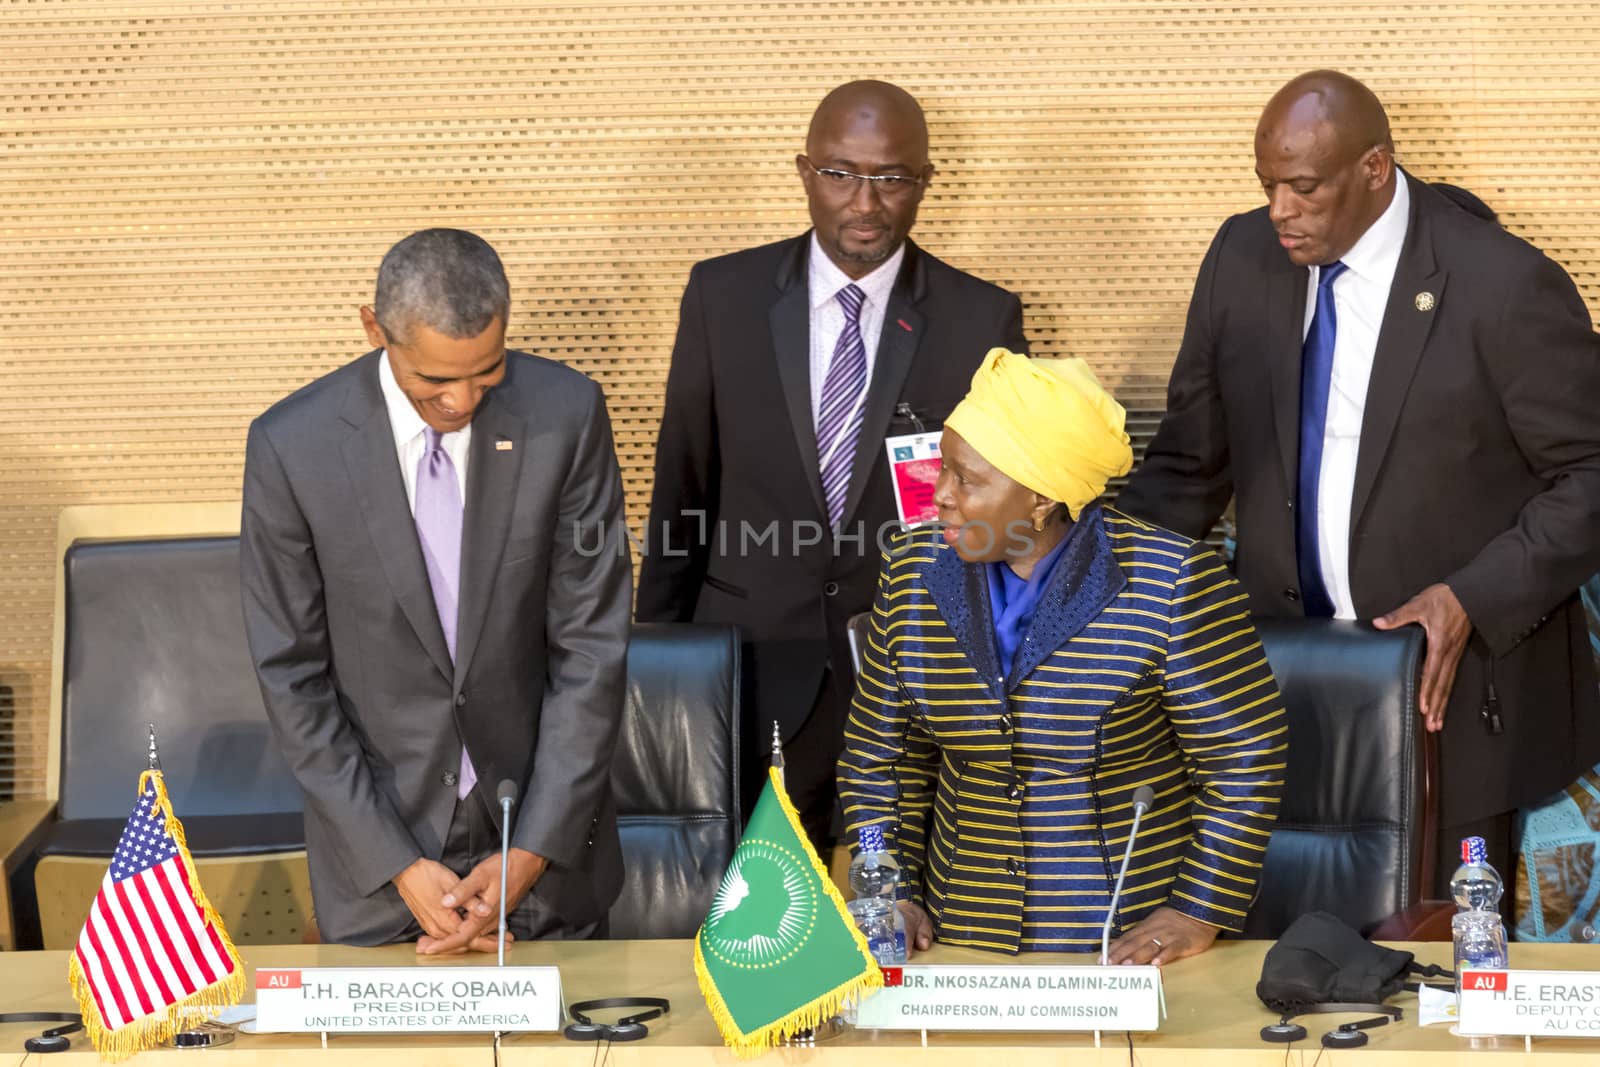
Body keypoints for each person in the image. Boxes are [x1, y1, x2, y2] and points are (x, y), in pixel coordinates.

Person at [1116, 69, 1600, 911]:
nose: (1279, 210)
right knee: (1271, 963)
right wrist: (1077, 575)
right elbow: (1189, 467)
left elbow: (1592, 471)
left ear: (1375, 168)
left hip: (1444, 702)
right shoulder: (1242, 259)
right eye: (1266, 185)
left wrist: (1471, 597)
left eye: (1303, 187)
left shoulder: (1500, 283)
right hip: (1274, 688)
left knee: (1426, 975)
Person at [637, 80, 1029, 853]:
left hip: (914, 667)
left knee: (902, 914)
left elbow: (1007, 511)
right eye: (841, 174)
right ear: (804, 171)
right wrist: (656, 657)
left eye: (892, 178)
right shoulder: (724, 296)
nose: (865, 203)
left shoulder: (983, 316)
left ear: (925, 183)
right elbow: (684, 481)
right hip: (751, 667)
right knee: (761, 918)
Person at [240, 228, 631, 950]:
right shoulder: (293, 448)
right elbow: (292, 675)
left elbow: (591, 648)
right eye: (434, 381)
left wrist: (532, 849)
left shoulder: (565, 415)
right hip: (382, 870)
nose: (460, 399)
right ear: (373, 329)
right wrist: (394, 860)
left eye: (486, 372)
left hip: (543, 870)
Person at [837, 348, 1287, 961]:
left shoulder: (1172, 581)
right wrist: (888, 891)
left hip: (1120, 938)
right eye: (943, 468)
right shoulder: (914, 572)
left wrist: (1195, 910)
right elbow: (879, 757)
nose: (938, 494)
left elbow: (1244, 759)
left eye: (966, 479)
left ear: (1042, 499)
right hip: (950, 932)